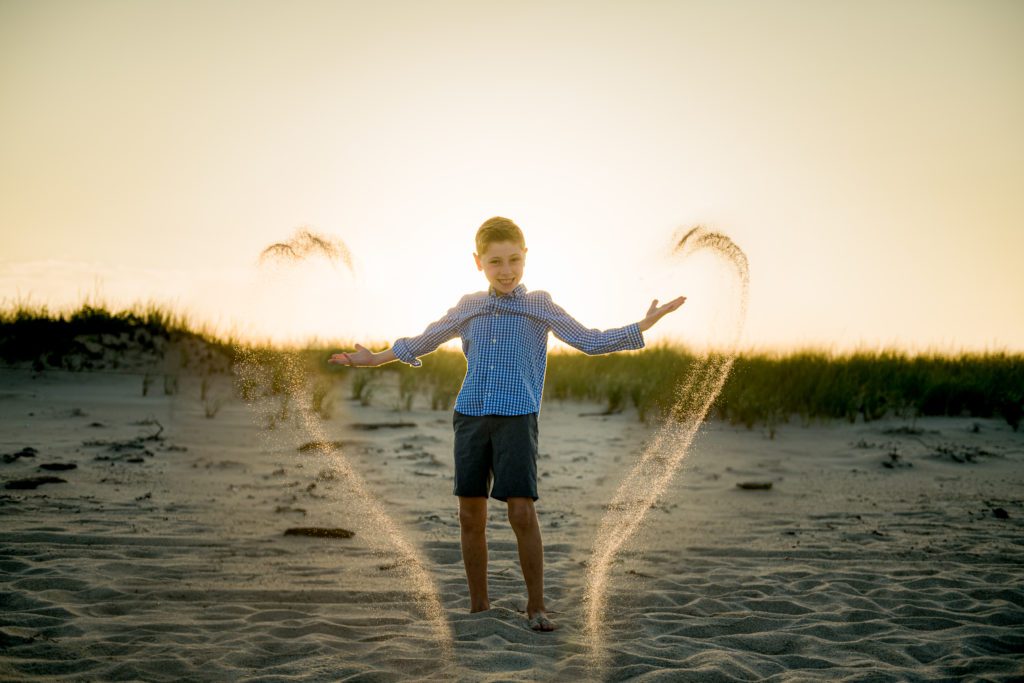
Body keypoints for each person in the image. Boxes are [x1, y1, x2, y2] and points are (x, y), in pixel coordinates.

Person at [329, 216, 685, 632]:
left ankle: (537, 607)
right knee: (470, 515)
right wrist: (374, 358)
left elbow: (589, 341)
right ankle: (479, 607)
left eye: (514, 260)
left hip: (517, 417)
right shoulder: (469, 306)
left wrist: (643, 325)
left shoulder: (540, 305)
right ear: (479, 262)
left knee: (521, 512)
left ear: (526, 257)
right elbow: (422, 341)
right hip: (471, 415)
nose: (506, 270)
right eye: (496, 261)